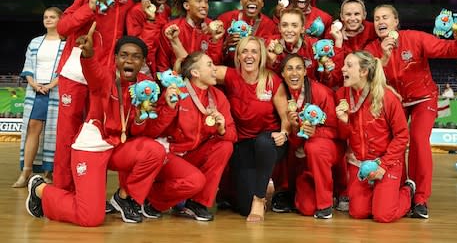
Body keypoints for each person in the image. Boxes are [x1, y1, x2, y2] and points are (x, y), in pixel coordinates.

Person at [26, 26, 167, 226]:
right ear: (115, 58)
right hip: (93, 146)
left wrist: (140, 118)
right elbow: (93, 72)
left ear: (143, 62)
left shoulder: (145, 87)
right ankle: (40, 189)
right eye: (124, 55)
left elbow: (138, 132)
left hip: (118, 146)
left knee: (155, 151)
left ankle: (123, 197)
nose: (129, 60)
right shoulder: (105, 78)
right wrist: (89, 54)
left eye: (136, 57)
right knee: (91, 218)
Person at [366, 4, 457, 219]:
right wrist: (384, 57)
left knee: (419, 139)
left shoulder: (415, 38)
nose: (380, 22)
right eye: (376, 19)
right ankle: (401, 188)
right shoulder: (371, 50)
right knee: (391, 143)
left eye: (385, 17)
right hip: (395, 102)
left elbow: (449, 49)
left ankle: (420, 198)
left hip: (423, 98)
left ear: (396, 21)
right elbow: (366, 76)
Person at [54, 0, 140, 192]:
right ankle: (62, 190)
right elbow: (62, 29)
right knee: (67, 135)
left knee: (96, 134)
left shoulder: (131, 7)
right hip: (75, 75)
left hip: (103, 81)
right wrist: (89, 6)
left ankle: (89, 191)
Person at [141, 51, 236, 221]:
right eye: (209, 65)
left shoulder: (218, 97)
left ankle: (196, 204)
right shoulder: (177, 91)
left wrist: (222, 129)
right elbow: (152, 131)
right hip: (169, 155)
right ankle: (149, 199)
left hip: (193, 155)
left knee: (225, 146)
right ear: (195, 72)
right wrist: (169, 109)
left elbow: (232, 135)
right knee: (196, 181)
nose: (215, 69)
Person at [215, 36, 290, 222]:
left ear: (261, 56)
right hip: (243, 144)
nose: (249, 56)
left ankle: (259, 198)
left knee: (264, 142)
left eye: (254, 51)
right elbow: (199, 69)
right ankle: (248, 198)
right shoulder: (230, 75)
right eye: (244, 52)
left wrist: (285, 133)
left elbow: (285, 117)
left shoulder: (272, 80)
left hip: (270, 141)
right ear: (238, 56)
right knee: (243, 208)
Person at [335, 50, 415, 223]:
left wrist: (383, 166)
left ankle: (407, 190)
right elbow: (342, 136)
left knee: (383, 215)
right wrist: (343, 122)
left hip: (385, 162)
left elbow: (402, 136)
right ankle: (378, 195)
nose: (342, 69)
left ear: (364, 72)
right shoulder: (342, 95)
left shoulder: (387, 97)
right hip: (359, 164)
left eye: (349, 66)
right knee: (358, 213)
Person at [278, 54, 345, 219]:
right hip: (304, 161)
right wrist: (294, 128)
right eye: (289, 69)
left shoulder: (321, 93)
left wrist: (316, 133)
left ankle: (325, 205)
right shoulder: (281, 95)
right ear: (282, 74)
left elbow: (339, 132)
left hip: (328, 149)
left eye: (299, 68)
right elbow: (295, 143)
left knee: (314, 146)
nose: (294, 73)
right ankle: (301, 188)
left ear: (305, 72)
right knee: (306, 209)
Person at [12, 7, 66, 188]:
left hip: (56, 91)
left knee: (54, 131)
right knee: (32, 129)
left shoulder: (67, 44)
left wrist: (52, 85)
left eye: (52, 17)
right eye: (45, 17)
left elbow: (67, 69)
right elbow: (28, 66)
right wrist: (33, 83)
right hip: (36, 90)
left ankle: (49, 171)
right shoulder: (35, 42)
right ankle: (26, 171)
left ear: (60, 20)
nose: (48, 20)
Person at [158, 0, 224, 72]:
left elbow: (215, 64)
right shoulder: (172, 28)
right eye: (199, 1)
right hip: (176, 81)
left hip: (203, 82)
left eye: (206, 2)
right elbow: (163, 63)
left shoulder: (213, 29)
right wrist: (167, 83)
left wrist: (215, 41)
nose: (204, 5)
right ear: (186, 6)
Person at [217, 0, 277, 65]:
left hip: (258, 74)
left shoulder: (270, 26)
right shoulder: (225, 19)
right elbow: (214, 55)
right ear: (241, 1)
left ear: (262, 3)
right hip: (230, 71)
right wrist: (225, 46)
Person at [326, 0, 377, 88]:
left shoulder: (372, 29)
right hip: (342, 87)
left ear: (364, 15)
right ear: (341, 16)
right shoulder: (332, 33)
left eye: (357, 14)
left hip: (368, 86)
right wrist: (338, 43)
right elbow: (332, 78)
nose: (352, 18)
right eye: (348, 14)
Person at [126, 0, 170, 76]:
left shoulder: (166, 9)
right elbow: (138, 47)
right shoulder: (137, 11)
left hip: (162, 65)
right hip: (145, 67)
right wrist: (150, 20)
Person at [266, 8, 320, 80]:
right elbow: (266, 79)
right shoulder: (271, 44)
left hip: (307, 88)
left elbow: (322, 78)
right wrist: (270, 62)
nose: (289, 30)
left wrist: (326, 71)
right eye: (284, 25)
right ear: (279, 28)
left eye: (294, 25)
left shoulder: (313, 46)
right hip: (280, 88)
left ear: (302, 29)